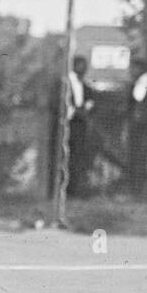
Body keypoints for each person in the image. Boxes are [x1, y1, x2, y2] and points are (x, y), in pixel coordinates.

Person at [65, 54, 95, 197]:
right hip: (67, 124)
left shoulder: (84, 85)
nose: (83, 69)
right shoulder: (66, 83)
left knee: (78, 156)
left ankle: (75, 189)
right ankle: (66, 189)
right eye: (80, 66)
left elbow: (90, 99)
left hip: (80, 125)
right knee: (67, 156)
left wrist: (86, 108)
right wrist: (74, 112)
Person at [125, 57, 147, 195]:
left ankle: (137, 189)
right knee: (136, 157)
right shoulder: (139, 82)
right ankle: (135, 188)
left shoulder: (146, 82)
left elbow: (138, 98)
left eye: (134, 68)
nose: (132, 71)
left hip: (142, 125)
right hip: (138, 124)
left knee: (139, 157)